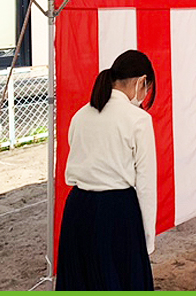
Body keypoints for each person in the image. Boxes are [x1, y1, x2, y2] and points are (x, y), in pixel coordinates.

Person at [56, 49, 157, 291]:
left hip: (77, 209)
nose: (144, 96)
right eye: (147, 89)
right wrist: (147, 239)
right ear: (141, 82)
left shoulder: (80, 115)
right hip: (117, 213)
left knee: (81, 282)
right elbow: (146, 184)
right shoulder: (138, 119)